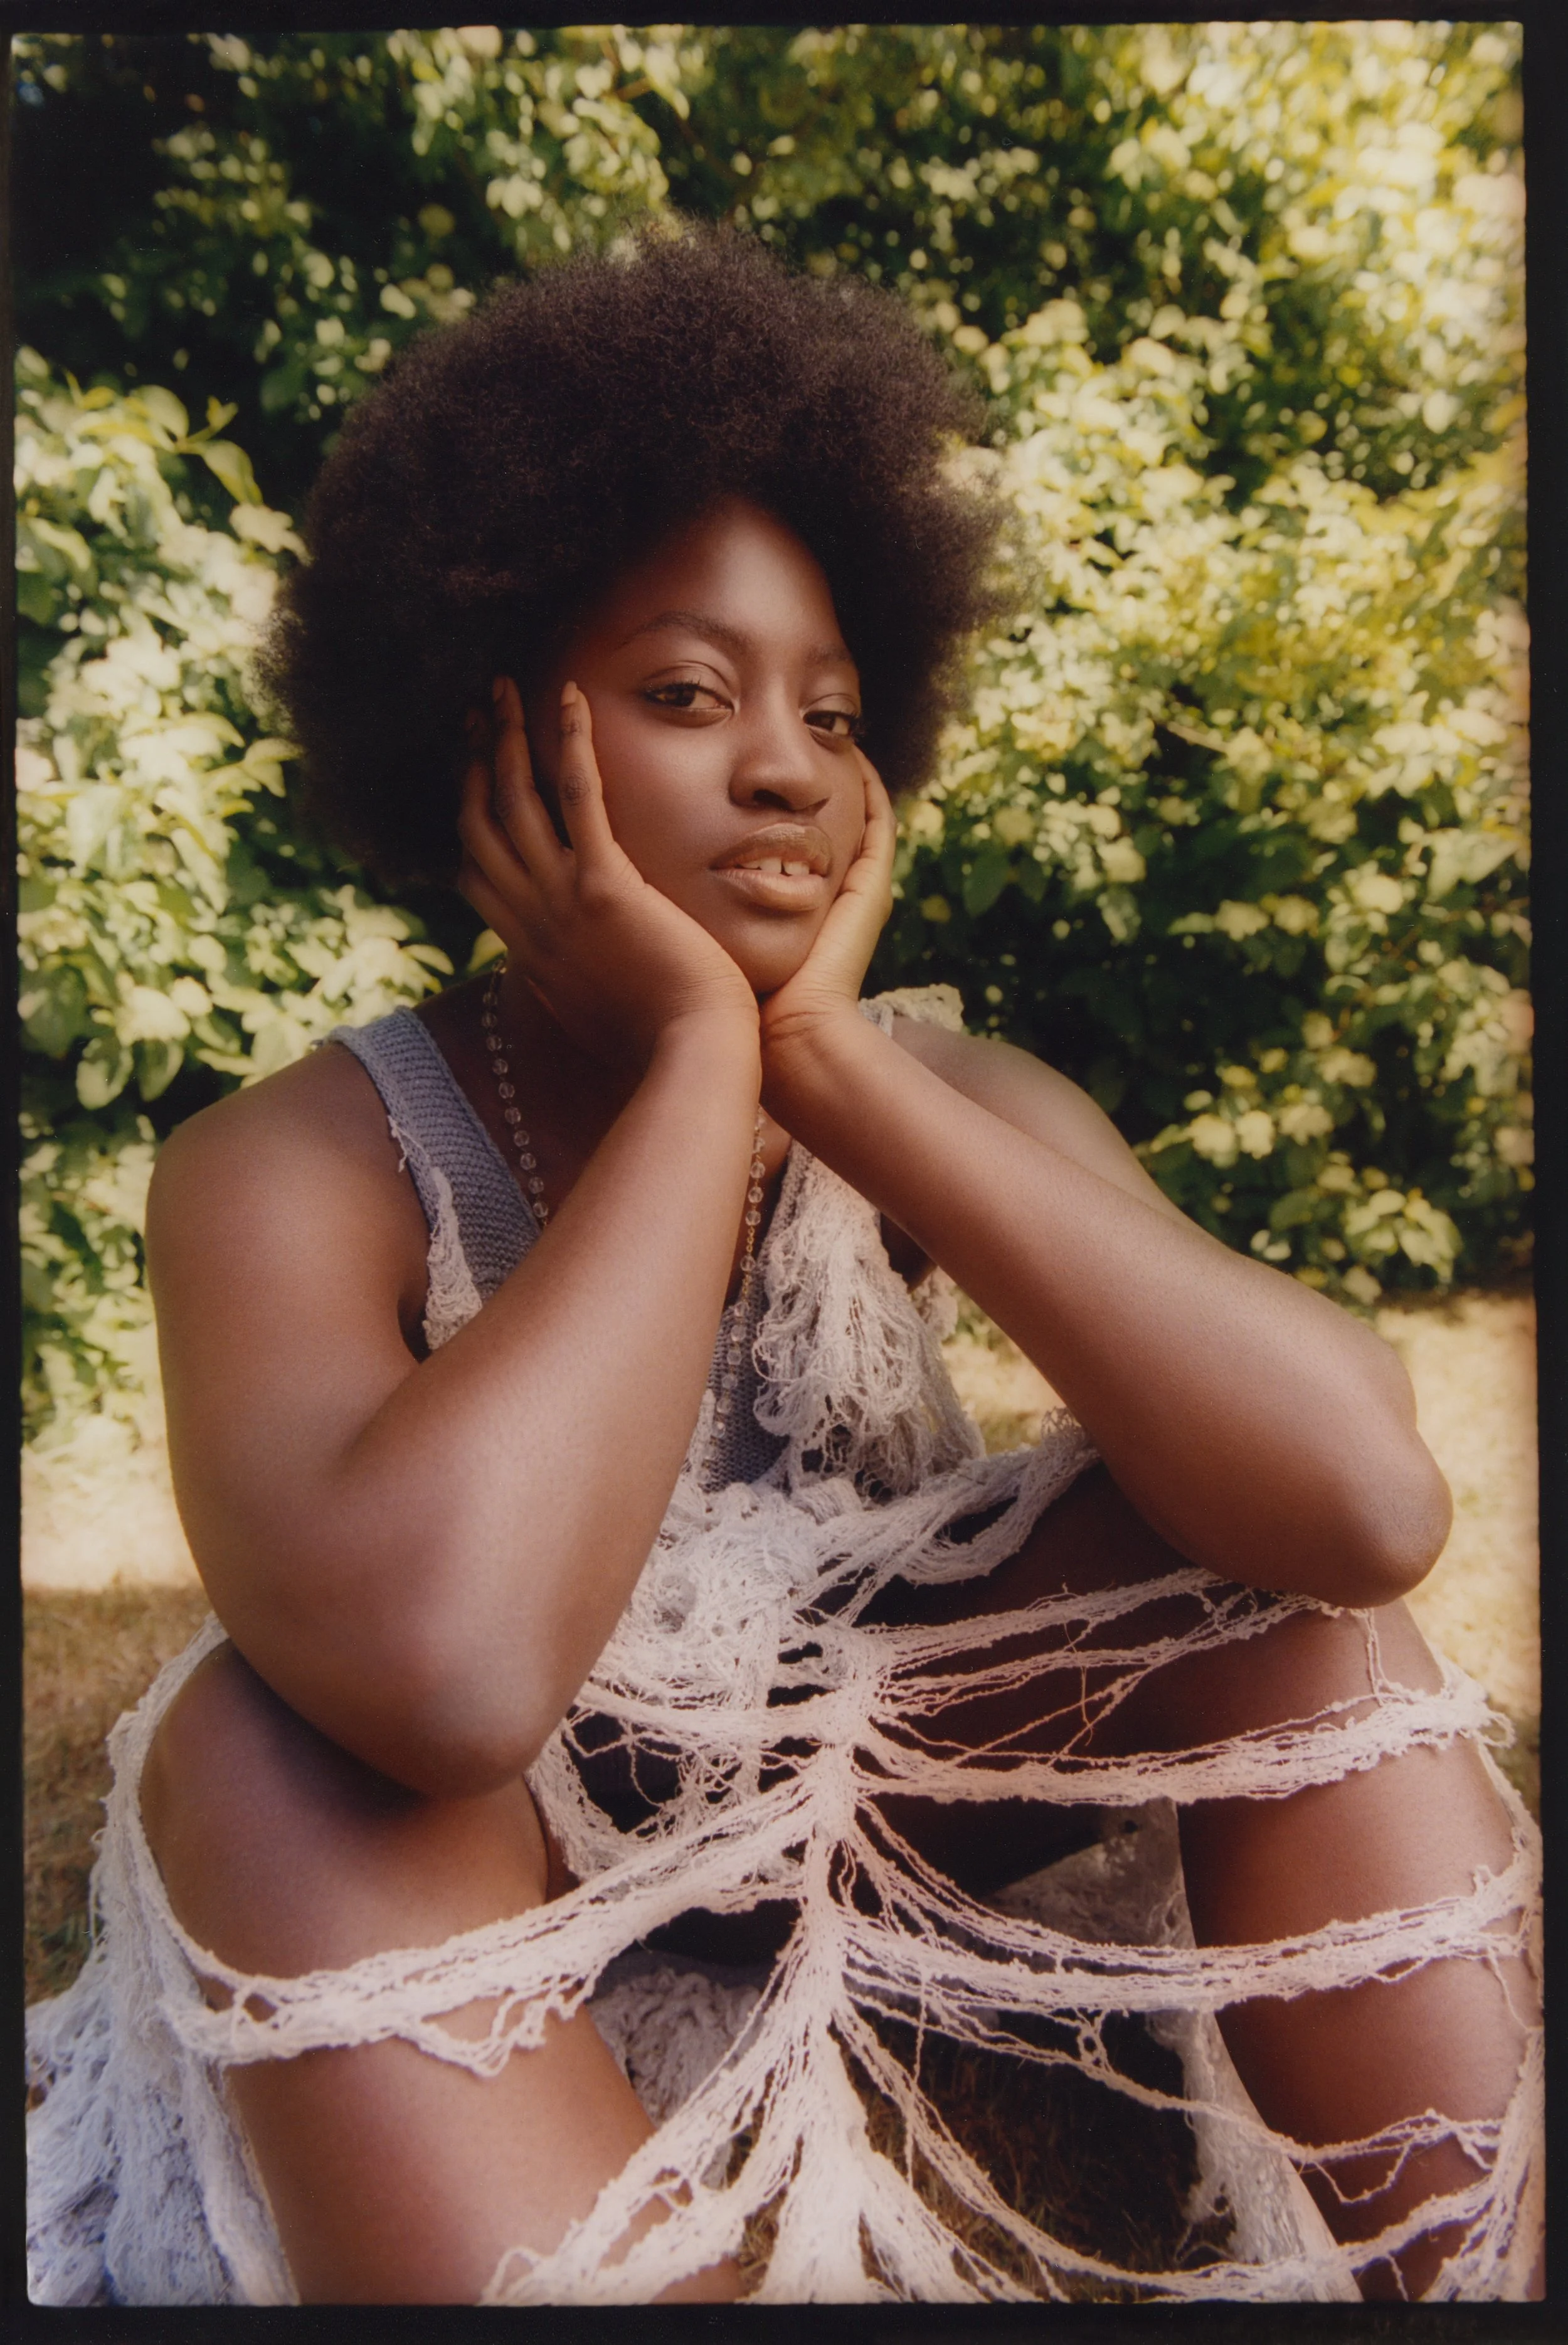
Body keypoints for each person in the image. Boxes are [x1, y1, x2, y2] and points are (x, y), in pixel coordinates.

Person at [26, 226, 1540, 2308]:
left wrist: (818, 1057)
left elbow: (1359, 1507)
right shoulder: (285, 1162)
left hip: (838, 1810)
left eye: (832, 715)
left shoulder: (926, 1090)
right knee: (258, 1741)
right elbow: (448, 1680)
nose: (785, 770)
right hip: (456, 1876)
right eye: (681, 695)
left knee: (1281, 1606)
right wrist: (685, 1064)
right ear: (486, 743)